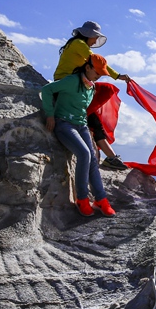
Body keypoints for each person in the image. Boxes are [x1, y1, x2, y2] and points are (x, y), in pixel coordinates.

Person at [41, 55, 115, 217]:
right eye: (97, 71)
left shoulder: (91, 87)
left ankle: (101, 200)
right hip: (64, 124)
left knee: (93, 159)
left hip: (81, 125)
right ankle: (82, 199)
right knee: (84, 154)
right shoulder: (72, 81)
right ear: (87, 67)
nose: (99, 75)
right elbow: (47, 90)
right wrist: (50, 115)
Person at [54, 21, 131, 171]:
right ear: (88, 35)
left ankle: (110, 157)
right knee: (98, 108)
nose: (95, 40)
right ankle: (110, 158)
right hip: (67, 86)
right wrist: (117, 76)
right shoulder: (78, 44)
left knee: (93, 118)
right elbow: (96, 62)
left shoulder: (76, 44)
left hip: (73, 85)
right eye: (94, 37)